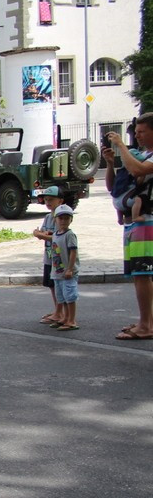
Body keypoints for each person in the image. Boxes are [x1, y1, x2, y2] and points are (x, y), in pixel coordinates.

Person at [105, 117, 153, 340]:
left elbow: (137, 170)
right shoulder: (146, 155)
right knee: (139, 274)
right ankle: (146, 321)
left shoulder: (145, 159)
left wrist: (122, 145)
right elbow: (115, 186)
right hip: (136, 222)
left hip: (147, 221)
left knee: (143, 274)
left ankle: (146, 326)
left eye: (142, 131)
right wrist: (111, 162)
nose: (138, 136)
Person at [31, 187, 64, 325]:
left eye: (51, 199)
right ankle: (58, 310)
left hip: (60, 258)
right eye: (46, 200)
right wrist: (42, 235)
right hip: (49, 255)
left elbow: (58, 236)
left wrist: (40, 235)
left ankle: (60, 312)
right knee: (51, 284)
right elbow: (45, 234)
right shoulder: (48, 217)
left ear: (60, 200)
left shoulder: (62, 217)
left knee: (59, 284)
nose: (48, 202)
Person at [49, 204, 79, 331]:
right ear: (55, 219)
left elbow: (73, 252)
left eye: (66, 218)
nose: (63, 221)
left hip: (68, 272)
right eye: (60, 218)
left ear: (71, 220)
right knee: (62, 297)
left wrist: (70, 269)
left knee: (70, 296)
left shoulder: (70, 235)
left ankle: (71, 320)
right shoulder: (56, 234)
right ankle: (65, 318)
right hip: (57, 272)